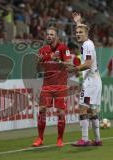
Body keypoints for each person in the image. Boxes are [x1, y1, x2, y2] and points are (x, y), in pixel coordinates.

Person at [65, 12, 102, 146]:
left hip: (91, 82)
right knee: (92, 110)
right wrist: (78, 22)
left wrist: (73, 69)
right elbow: (88, 64)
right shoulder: (88, 43)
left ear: (86, 33)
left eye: (80, 32)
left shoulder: (87, 45)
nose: (77, 34)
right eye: (76, 32)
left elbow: (87, 64)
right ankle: (97, 139)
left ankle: (85, 139)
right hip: (95, 80)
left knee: (82, 107)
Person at [32, 26, 71, 147]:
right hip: (47, 85)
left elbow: (69, 64)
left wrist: (58, 60)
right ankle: (40, 138)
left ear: (56, 37)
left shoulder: (63, 48)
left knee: (60, 112)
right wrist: (38, 62)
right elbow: (38, 70)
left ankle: (60, 139)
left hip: (60, 85)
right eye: (48, 34)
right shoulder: (42, 50)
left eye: (52, 34)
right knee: (42, 110)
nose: (49, 36)